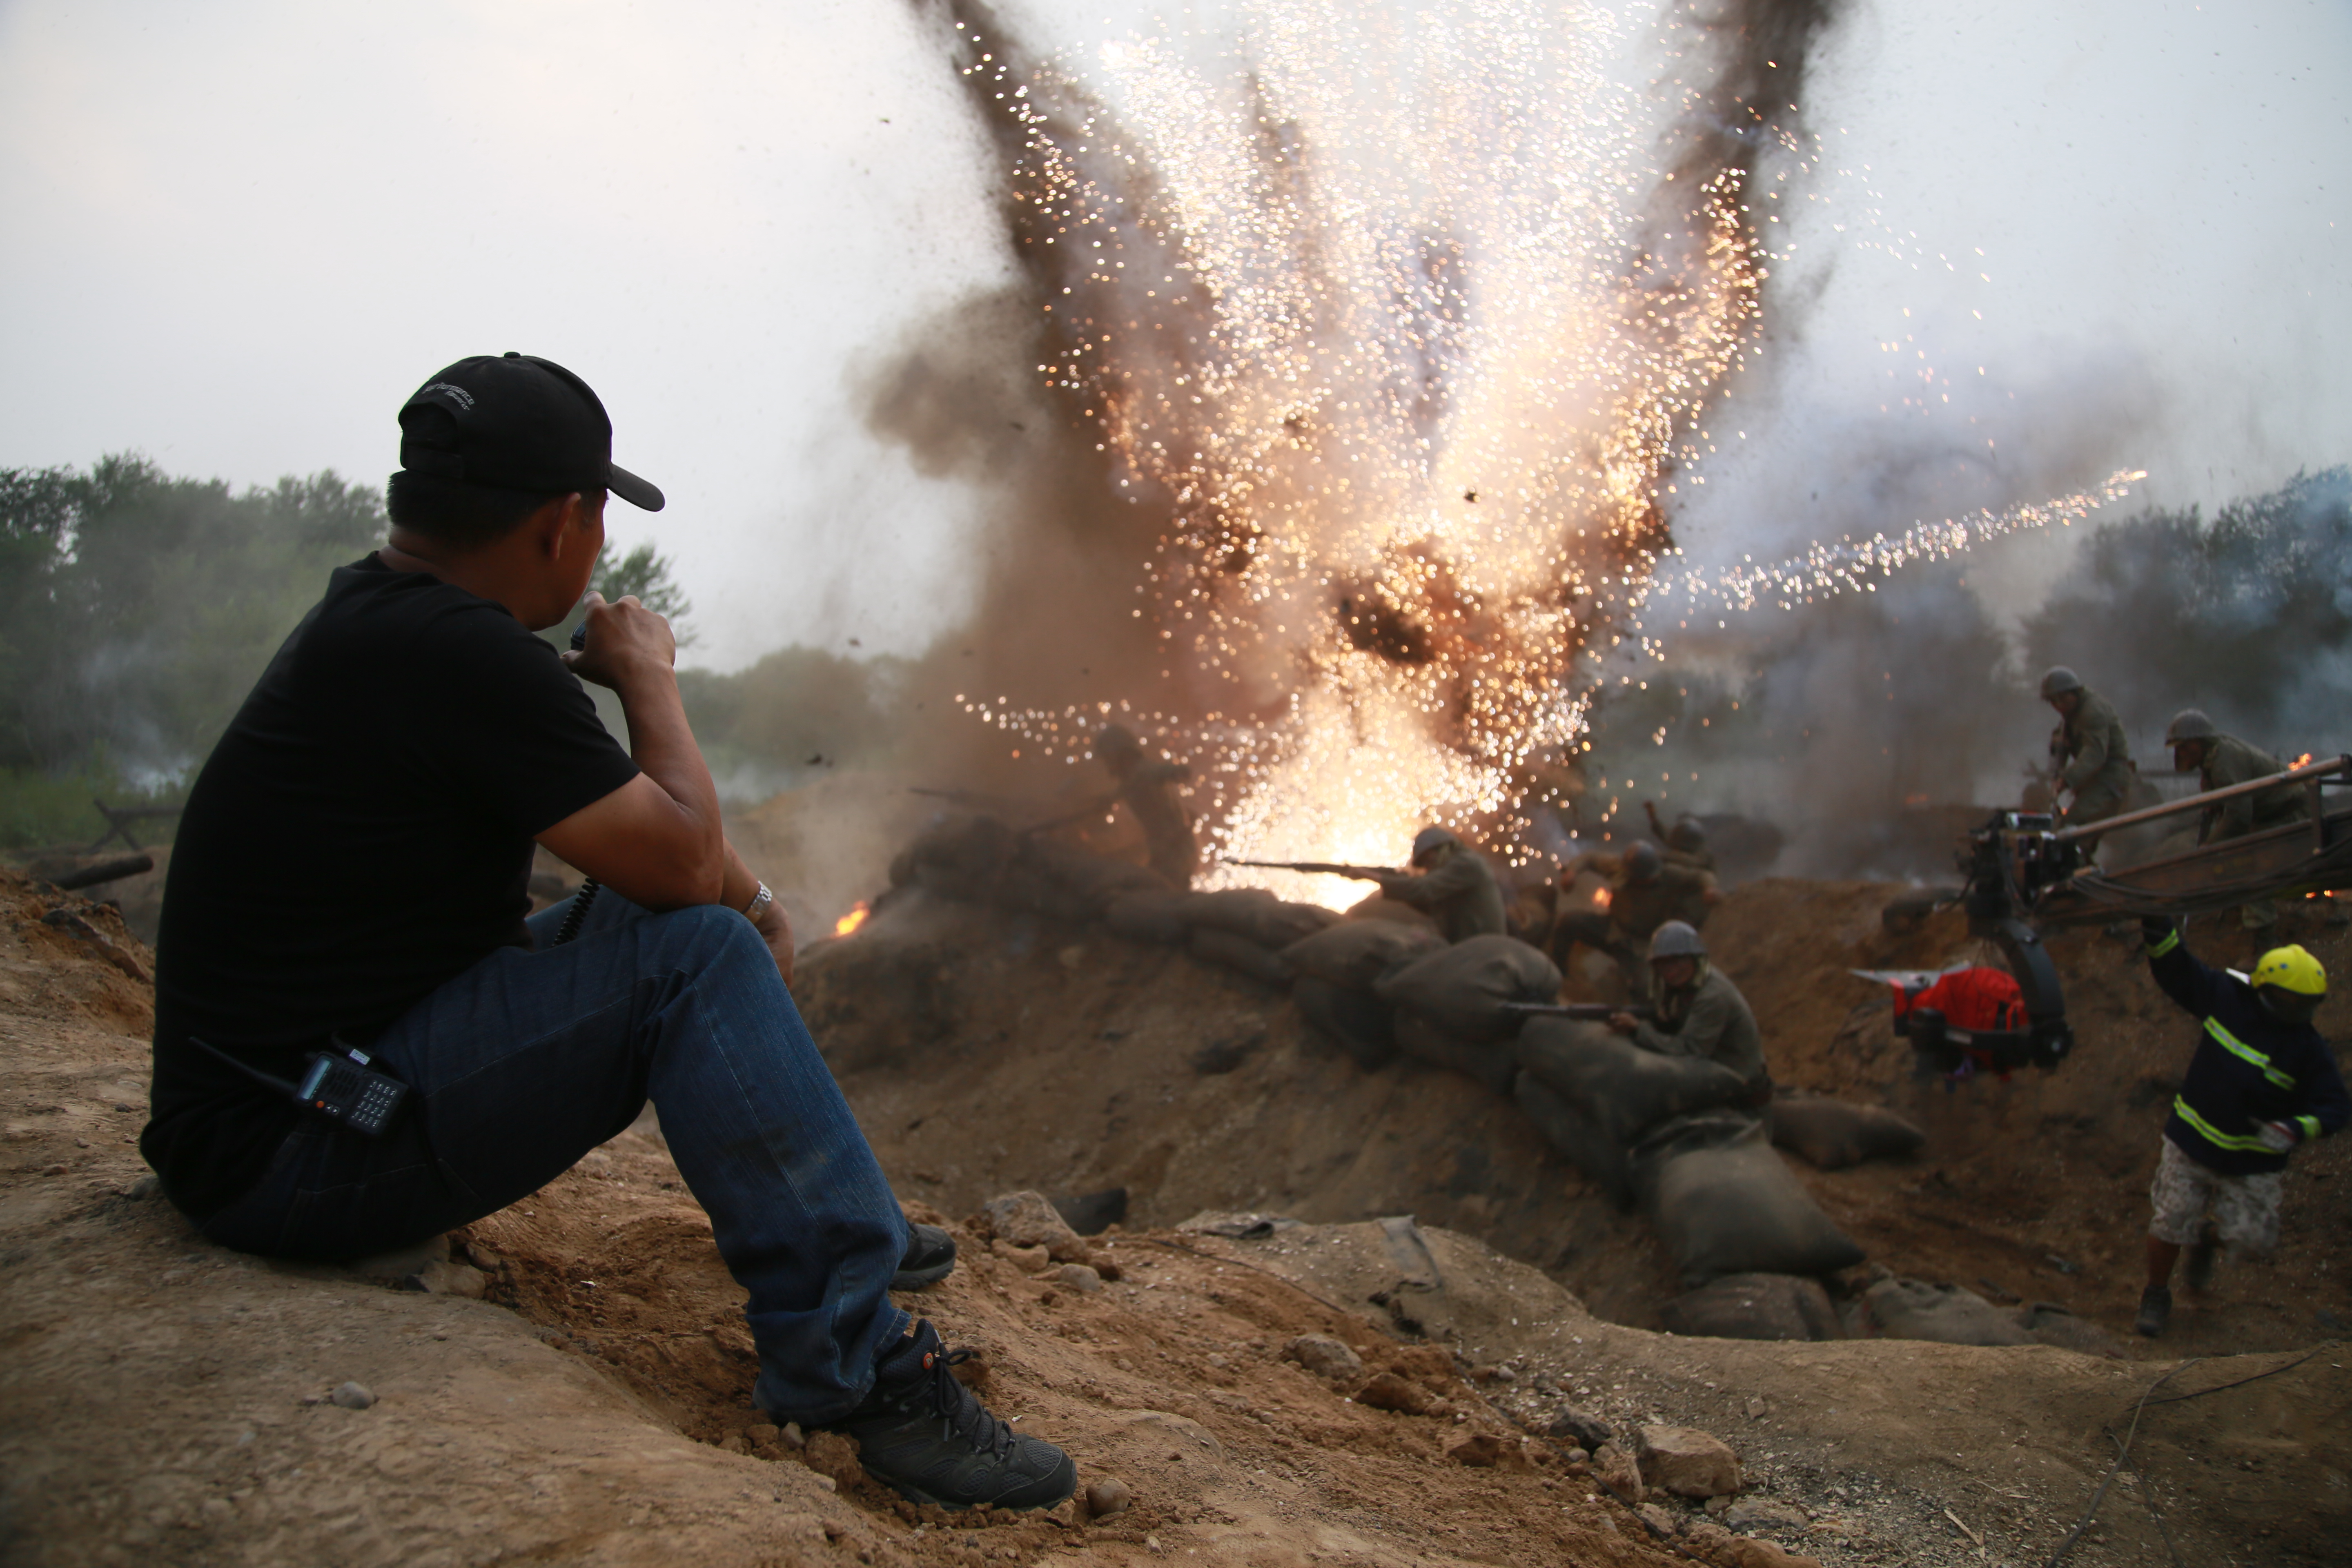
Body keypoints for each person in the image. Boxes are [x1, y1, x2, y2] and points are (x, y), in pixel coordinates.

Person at [140, 353, 1073, 1510]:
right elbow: (685, 860)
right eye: (598, 519)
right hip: (295, 1148)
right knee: (695, 958)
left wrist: (765, 905)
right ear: (561, 524)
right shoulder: (461, 657)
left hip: (300, 1096)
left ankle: (855, 1228)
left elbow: (662, 860)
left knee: (690, 927)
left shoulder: (400, 624)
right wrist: (649, 684)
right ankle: (852, 1372)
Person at [2131, 918, 2348, 1337]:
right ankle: (2156, 1293)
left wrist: (2296, 1128)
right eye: (2287, 1002)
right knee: (2169, 1222)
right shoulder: (2227, 998)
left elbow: (2336, 1106)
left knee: (2253, 1240)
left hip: (2252, 1162)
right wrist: (2158, 928)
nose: (2294, 1012)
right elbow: (2178, 970)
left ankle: (2206, 1239)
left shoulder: (2308, 1049)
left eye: (2304, 1005)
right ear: (2262, 988)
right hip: (2191, 1145)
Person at [2166, 708, 2307, 930]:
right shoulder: (2214, 756)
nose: (2182, 753)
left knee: (2250, 865)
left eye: (2185, 746)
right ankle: (2237, 907)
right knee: (2235, 854)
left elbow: (2239, 816)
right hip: (2269, 813)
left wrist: (2209, 848)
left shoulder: (2225, 761)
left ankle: (2263, 940)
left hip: (2287, 813)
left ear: (2199, 742)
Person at [1606, 921, 1767, 1100]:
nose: (1672, 972)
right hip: (1718, 1069)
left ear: (1694, 958)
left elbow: (1690, 1051)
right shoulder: (1688, 984)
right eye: (1664, 964)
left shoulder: (1712, 995)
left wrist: (1638, 1029)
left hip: (1739, 1082)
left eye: (1678, 961)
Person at [1550, 840, 1722, 983]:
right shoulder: (1619, 868)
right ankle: (1558, 975)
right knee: (1568, 923)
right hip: (1613, 930)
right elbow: (1589, 858)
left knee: (1645, 987)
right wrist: (1572, 872)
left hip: (1643, 944)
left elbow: (1702, 876)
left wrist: (1710, 889)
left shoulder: (1670, 875)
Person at [1095, 723, 1198, 889]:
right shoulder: (1131, 780)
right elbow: (1119, 794)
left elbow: (1177, 772)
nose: (1107, 764)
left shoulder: (1145, 772)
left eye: (1108, 758)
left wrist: (1174, 772)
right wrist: (1104, 802)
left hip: (1176, 852)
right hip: (1164, 852)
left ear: (1119, 755)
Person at [1367, 826, 1508, 942]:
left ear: (1444, 848)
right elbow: (1426, 899)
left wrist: (1370, 876)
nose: (1428, 868)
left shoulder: (1466, 864)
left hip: (1482, 948)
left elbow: (1423, 889)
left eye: (1429, 859)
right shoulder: (1455, 873)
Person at [2039, 666, 2136, 832]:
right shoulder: (2071, 716)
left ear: (2075, 692)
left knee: (2071, 826)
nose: (2059, 705)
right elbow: (2060, 748)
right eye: (2054, 702)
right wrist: (2053, 777)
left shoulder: (2092, 712)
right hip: (2093, 778)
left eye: (2063, 698)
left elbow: (2095, 754)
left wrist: (2066, 780)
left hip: (2110, 778)